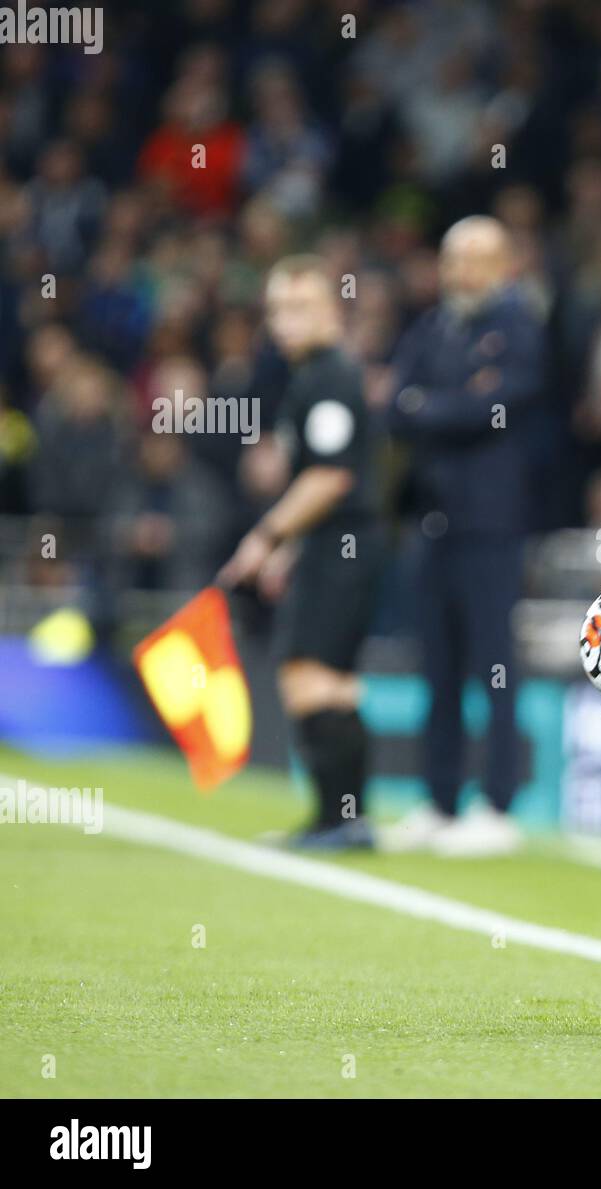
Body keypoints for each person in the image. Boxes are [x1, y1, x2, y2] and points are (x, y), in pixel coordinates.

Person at [385, 217, 543, 856]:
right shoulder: (432, 327)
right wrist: (447, 405)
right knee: (439, 665)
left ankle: (499, 803)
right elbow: (396, 405)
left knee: (495, 664)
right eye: (453, 259)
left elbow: (498, 405)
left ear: (505, 264)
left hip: (492, 524)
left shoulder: (519, 326)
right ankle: (440, 798)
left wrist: (434, 406)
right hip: (433, 520)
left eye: (476, 259)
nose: (461, 272)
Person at [218, 255, 382, 849]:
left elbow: (331, 479)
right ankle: (341, 819)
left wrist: (265, 539)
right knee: (328, 679)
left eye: (301, 308)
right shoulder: (317, 374)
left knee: (311, 674)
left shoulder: (329, 377)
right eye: (278, 310)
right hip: (337, 544)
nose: (286, 322)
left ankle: (342, 821)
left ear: (332, 311)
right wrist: (290, 551)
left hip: (345, 546)